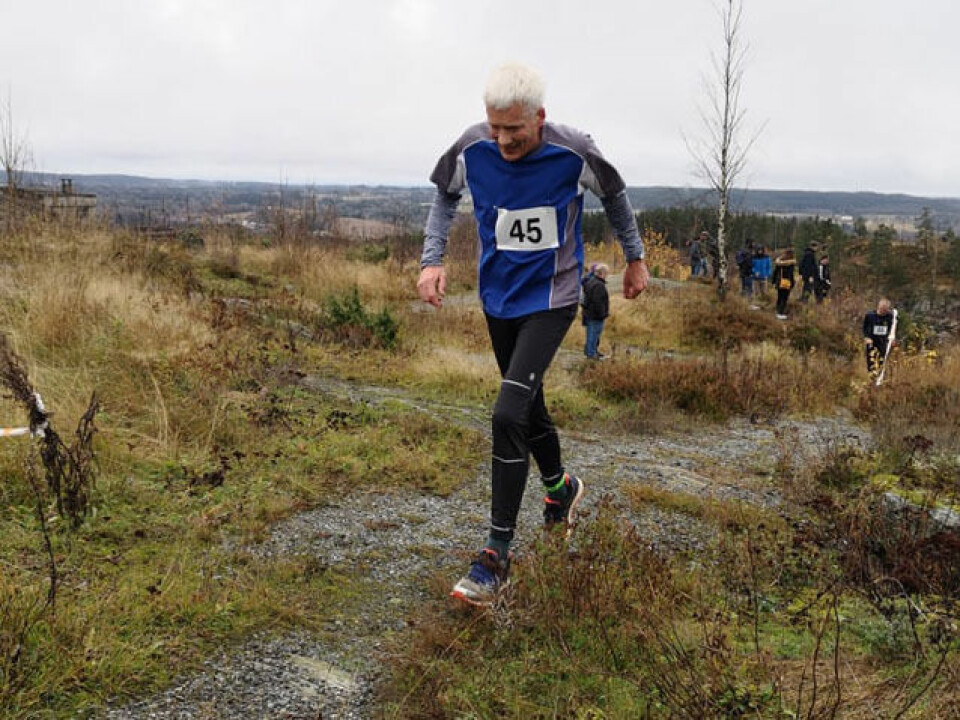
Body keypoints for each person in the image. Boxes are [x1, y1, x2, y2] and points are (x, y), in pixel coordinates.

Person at [417, 63, 649, 606]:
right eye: (494, 127)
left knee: (506, 414)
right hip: (497, 300)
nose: (502, 140)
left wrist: (635, 258)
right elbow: (443, 198)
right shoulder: (472, 148)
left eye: (514, 130)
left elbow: (615, 195)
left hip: (552, 298)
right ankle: (561, 491)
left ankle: (495, 557)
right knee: (529, 406)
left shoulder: (573, 151)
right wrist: (431, 260)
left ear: (539, 118)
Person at [863, 298, 897, 381]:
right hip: (872, 341)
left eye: (885, 310)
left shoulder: (890, 317)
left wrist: (893, 338)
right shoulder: (870, 315)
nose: (883, 311)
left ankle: (881, 378)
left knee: (883, 360)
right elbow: (865, 328)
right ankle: (871, 378)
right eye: (882, 309)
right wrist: (866, 337)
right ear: (878, 307)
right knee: (871, 361)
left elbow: (893, 328)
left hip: (883, 342)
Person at [581, 262, 610, 359]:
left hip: (589, 313)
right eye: (606, 273)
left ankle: (593, 352)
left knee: (592, 335)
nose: (607, 275)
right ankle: (591, 354)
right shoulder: (598, 285)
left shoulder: (590, 281)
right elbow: (598, 302)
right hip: (595, 315)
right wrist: (602, 314)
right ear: (601, 273)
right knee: (593, 335)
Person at [771, 248, 796, 319]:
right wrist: (793, 283)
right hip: (787, 283)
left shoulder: (779, 262)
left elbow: (775, 272)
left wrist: (773, 281)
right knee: (784, 298)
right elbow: (791, 275)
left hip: (779, 282)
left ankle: (777, 311)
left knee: (779, 297)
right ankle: (780, 312)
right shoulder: (791, 264)